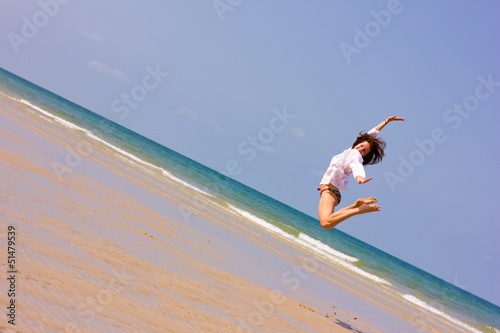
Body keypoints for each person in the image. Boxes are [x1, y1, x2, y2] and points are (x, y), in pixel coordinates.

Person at [318, 116, 404, 229]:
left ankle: (360, 209)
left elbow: (356, 166)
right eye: (361, 145)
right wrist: (386, 121)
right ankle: (356, 205)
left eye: (364, 150)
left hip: (330, 191)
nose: (360, 149)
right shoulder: (351, 150)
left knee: (326, 223)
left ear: (364, 155)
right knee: (327, 221)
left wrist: (359, 178)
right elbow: (370, 135)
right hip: (330, 192)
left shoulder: (355, 155)